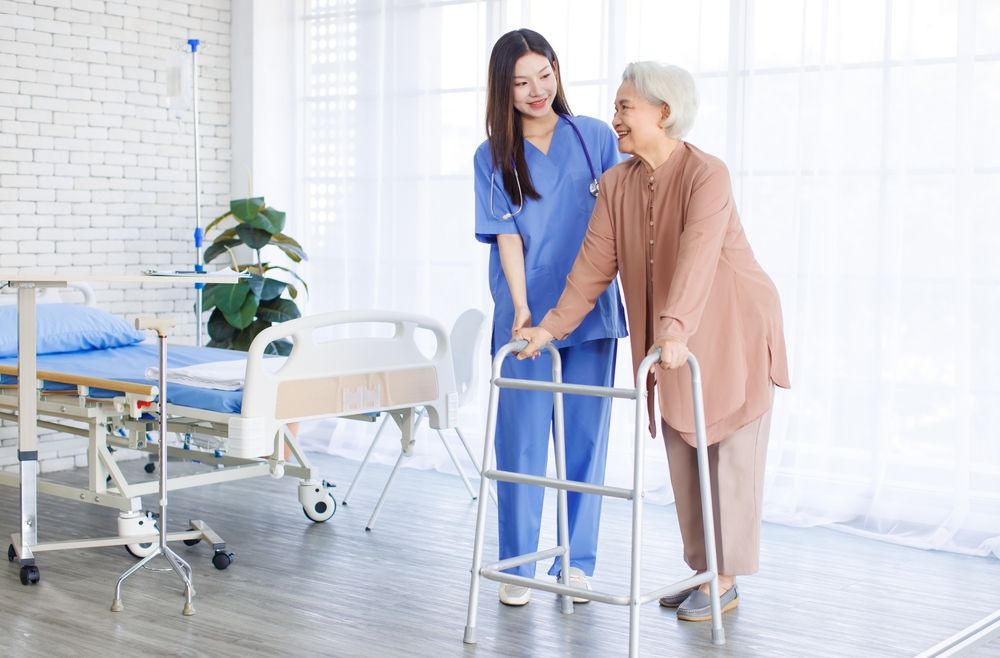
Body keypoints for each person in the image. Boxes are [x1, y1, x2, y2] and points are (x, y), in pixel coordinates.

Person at [516, 61, 790, 621]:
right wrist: (548, 328)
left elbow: (696, 258)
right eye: (616, 107)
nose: (613, 118)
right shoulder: (617, 183)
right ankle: (704, 571)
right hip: (676, 336)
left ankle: (726, 579)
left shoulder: (707, 174)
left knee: (730, 454)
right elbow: (592, 267)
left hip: (730, 324)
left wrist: (672, 330)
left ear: (663, 113)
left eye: (624, 107)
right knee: (684, 452)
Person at [473, 29, 627, 607]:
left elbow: (619, 224)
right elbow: (507, 234)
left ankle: (576, 565)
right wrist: (520, 307)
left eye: (545, 75)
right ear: (503, 89)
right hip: (526, 319)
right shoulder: (491, 155)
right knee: (521, 445)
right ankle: (517, 565)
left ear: (558, 72)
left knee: (585, 444)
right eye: (521, 82)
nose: (537, 90)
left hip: (591, 315)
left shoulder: (593, 139)